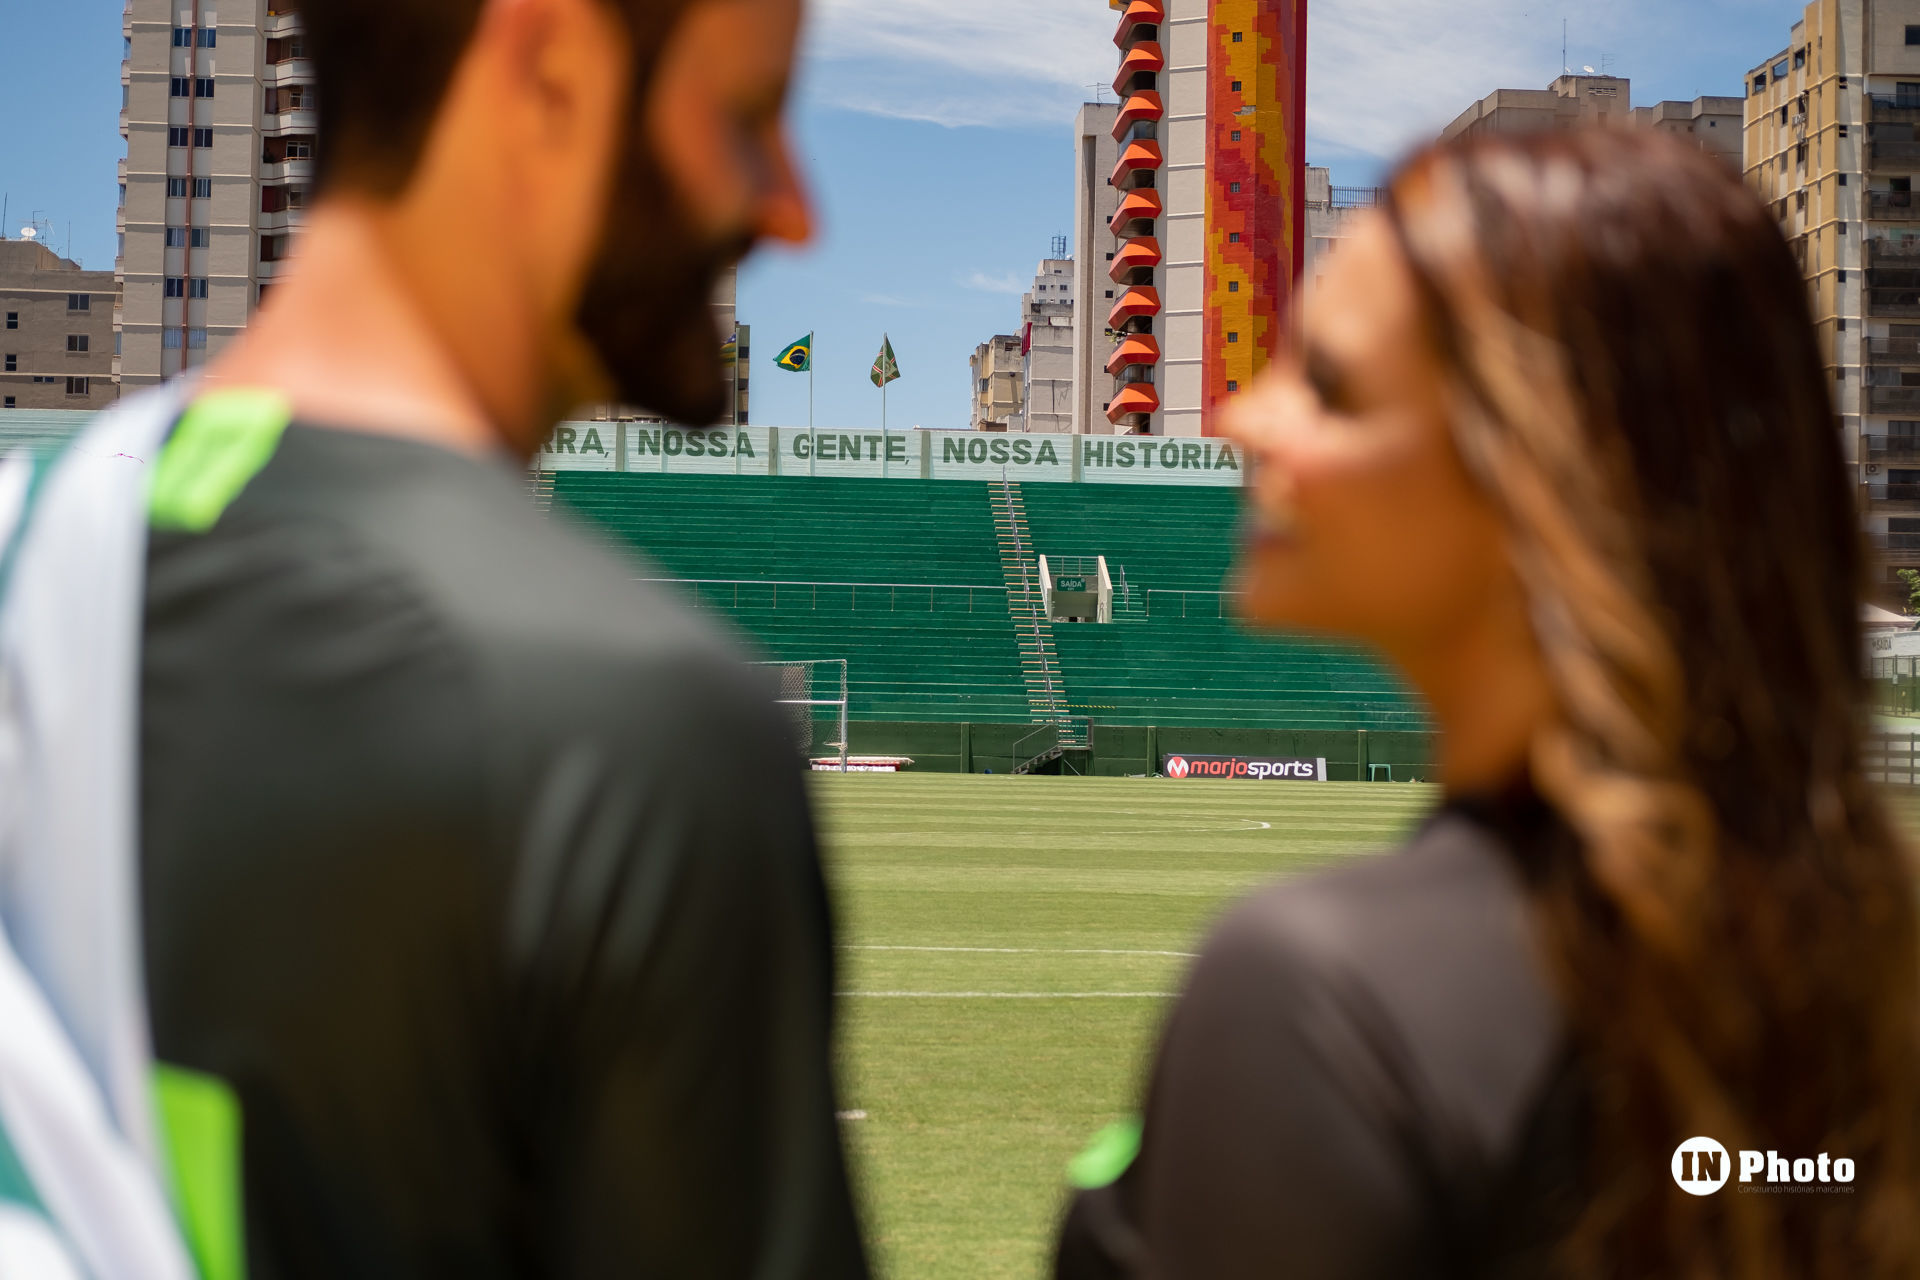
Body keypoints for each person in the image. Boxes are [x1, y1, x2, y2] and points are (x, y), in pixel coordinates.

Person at [4, 0, 866, 1274]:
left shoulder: (30, 539)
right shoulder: (622, 723)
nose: (794, 207)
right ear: (550, 61)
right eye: (746, 118)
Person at [1054, 128, 1920, 1277]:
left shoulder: (1320, 996)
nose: (1243, 422)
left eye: (1329, 385)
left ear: (1534, 464)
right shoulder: (1867, 961)